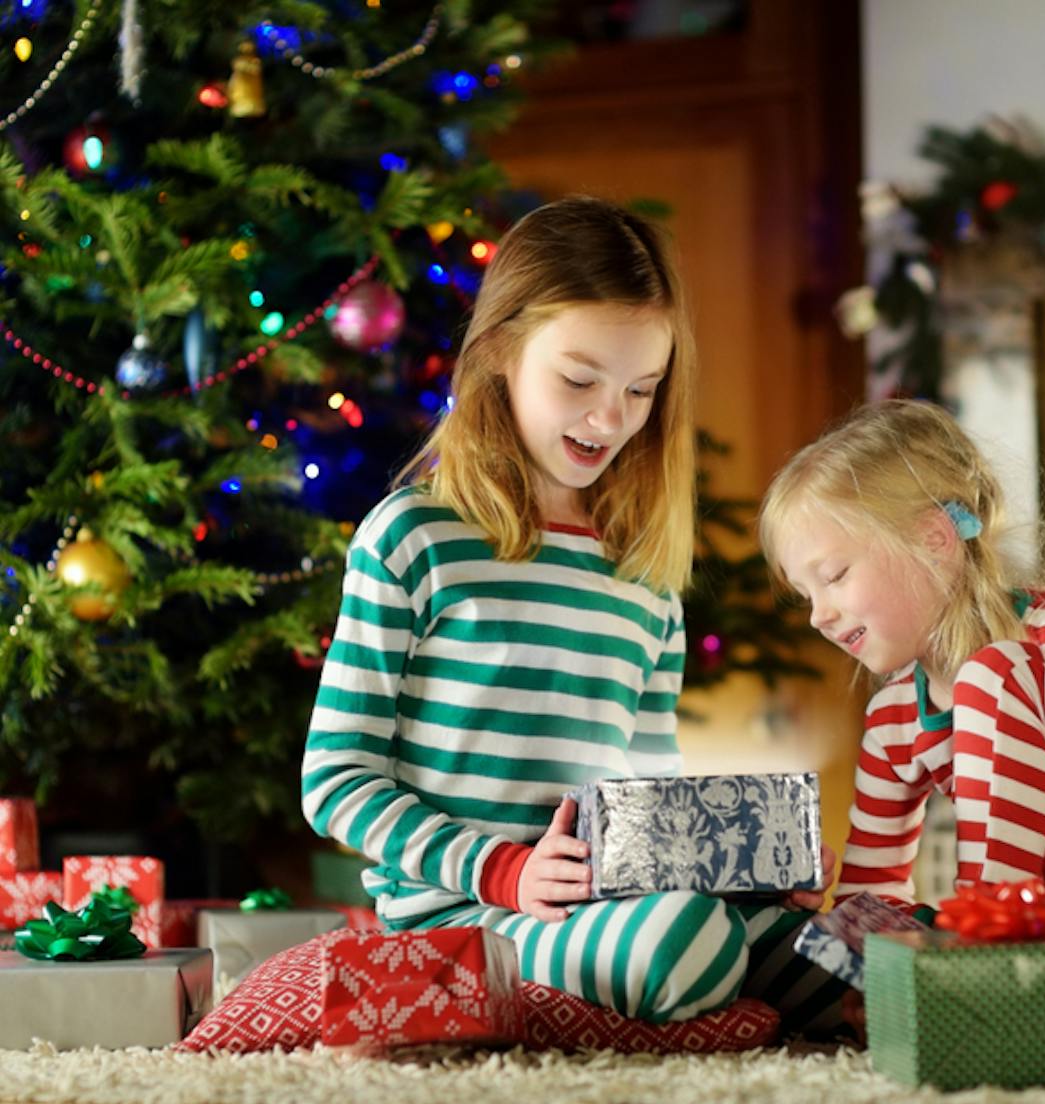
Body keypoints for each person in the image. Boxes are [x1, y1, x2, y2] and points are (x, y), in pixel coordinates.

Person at [302, 196, 835, 1027]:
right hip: (465, 919)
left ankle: (758, 975)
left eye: (641, 389)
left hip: (603, 906)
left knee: (836, 947)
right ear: (501, 353)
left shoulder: (645, 580)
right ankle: (706, 979)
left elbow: (648, 800)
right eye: (579, 380)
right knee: (688, 943)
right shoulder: (413, 538)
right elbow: (335, 780)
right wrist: (502, 870)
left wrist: (747, 870)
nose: (610, 417)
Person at [759, 399, 1045, 1029]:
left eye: (834, 577)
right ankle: (982, 968)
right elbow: (873, 886)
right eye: (806, 594)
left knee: (993, 673)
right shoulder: (894, 717)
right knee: (811, 951)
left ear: (934, 540)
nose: (817, 614)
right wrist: (861, 959)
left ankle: (990, 964)